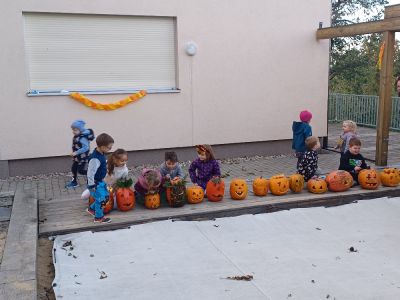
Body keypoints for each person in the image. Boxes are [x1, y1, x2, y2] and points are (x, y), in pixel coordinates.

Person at [86, 133, 114, 223]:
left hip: (100, 182)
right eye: (109, 147)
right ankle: (98, 217)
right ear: (102, 146)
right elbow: (90, 173)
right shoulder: (95, 159)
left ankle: (91, 209)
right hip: (95, 184)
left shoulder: (100, 153)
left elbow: (100, 164)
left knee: (105, 196)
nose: (110, 149)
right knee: (101, 199)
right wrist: (91, 185)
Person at [65, 120, 95, 188]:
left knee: (81, 171)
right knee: (74, 168)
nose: (73, 131)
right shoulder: (77, 136)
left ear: (80, 130)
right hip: (77, 157)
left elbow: (86, 148)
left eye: (75, 130)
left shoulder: (82, 138)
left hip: (82, 158)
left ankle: (93, 176)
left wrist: (76, 152)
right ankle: (74, 182)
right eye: (72, 129)